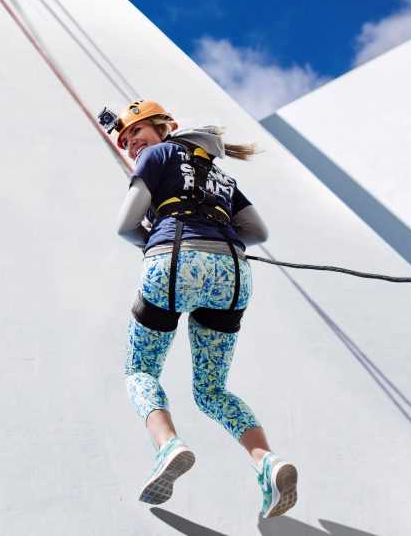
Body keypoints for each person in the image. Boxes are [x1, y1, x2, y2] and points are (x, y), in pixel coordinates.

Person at [107, 99, 298, 518]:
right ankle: (267, 461)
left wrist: (158, 240)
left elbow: (125, 226)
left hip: (173, 263)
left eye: (136, 131)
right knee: (212, 390)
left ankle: (168, 446)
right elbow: (258, 231)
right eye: (124, 140)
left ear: (166, 126)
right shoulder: (221, 176)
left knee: (140, 371)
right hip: (232, 274)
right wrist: (217, 236)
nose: (130, 144)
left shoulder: (158, 156)